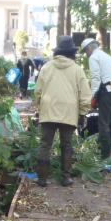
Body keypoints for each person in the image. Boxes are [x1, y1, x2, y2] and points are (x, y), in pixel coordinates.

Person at [35, 36, 92, 187]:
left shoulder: (46, 67)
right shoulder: (77, 70)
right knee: (66, 145)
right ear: (72, 53)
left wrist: (39, 107)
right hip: (69, 112)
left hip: (48, 111)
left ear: (58, 52)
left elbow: (37, 91)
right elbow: (85, 95)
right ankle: (66, 177)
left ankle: (42, 178)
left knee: (45, 144)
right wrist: (82, 113)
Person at [79, 38, 111, 159]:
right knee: (110, 122)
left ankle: (104, 156)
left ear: (89, 48)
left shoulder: (93, 57)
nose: (86, 54)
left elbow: (95, 78)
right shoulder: (106, 56)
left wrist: (93, 96)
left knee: (103, 124)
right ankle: (109, 147)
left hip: (107, 92)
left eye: (85, 51)